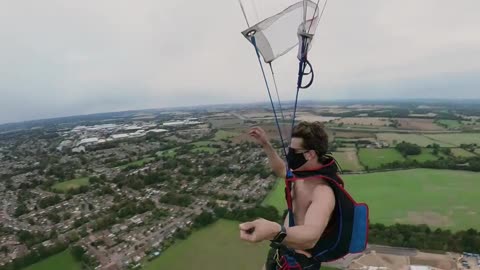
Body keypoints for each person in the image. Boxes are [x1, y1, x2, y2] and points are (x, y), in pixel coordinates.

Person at [239, 121, 337, 270]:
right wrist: (266, 144)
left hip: (299, 262)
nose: (289, 154)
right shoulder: (301, 175)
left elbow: (311, 236)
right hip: (282, 247)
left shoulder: (322, 192)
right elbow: (282, 171)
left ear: (310, 154)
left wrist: (274, 231)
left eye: (293, 151)